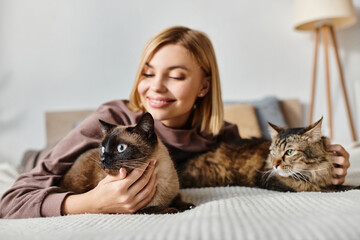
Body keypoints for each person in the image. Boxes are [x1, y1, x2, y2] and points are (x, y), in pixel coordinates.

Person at [0, 26, 350, 219]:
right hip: (59, 161)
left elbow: (271, 163)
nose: (155, 87)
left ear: (204, 86)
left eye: (177, 76)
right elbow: (11, 200)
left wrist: (328, 162)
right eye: (147, 73)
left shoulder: (221, 137)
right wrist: (88, 203)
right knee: (35, 160)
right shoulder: (111, 121)